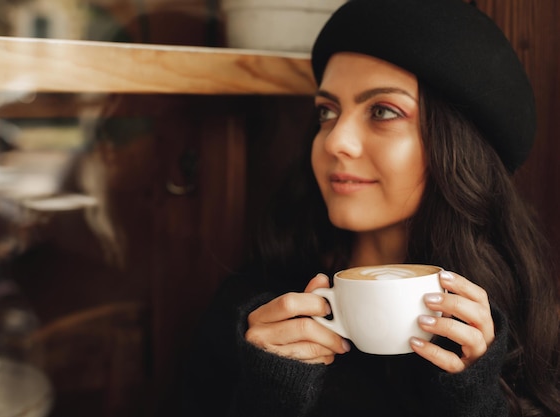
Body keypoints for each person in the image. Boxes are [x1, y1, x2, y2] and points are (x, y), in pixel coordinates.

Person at [180, 0, 560, 416]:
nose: (334, 140)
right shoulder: (256, 309)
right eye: (327, 111)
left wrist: (476, 401)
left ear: (457, 147)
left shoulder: (529, 323)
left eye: (383, 111)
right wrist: (268, 396)